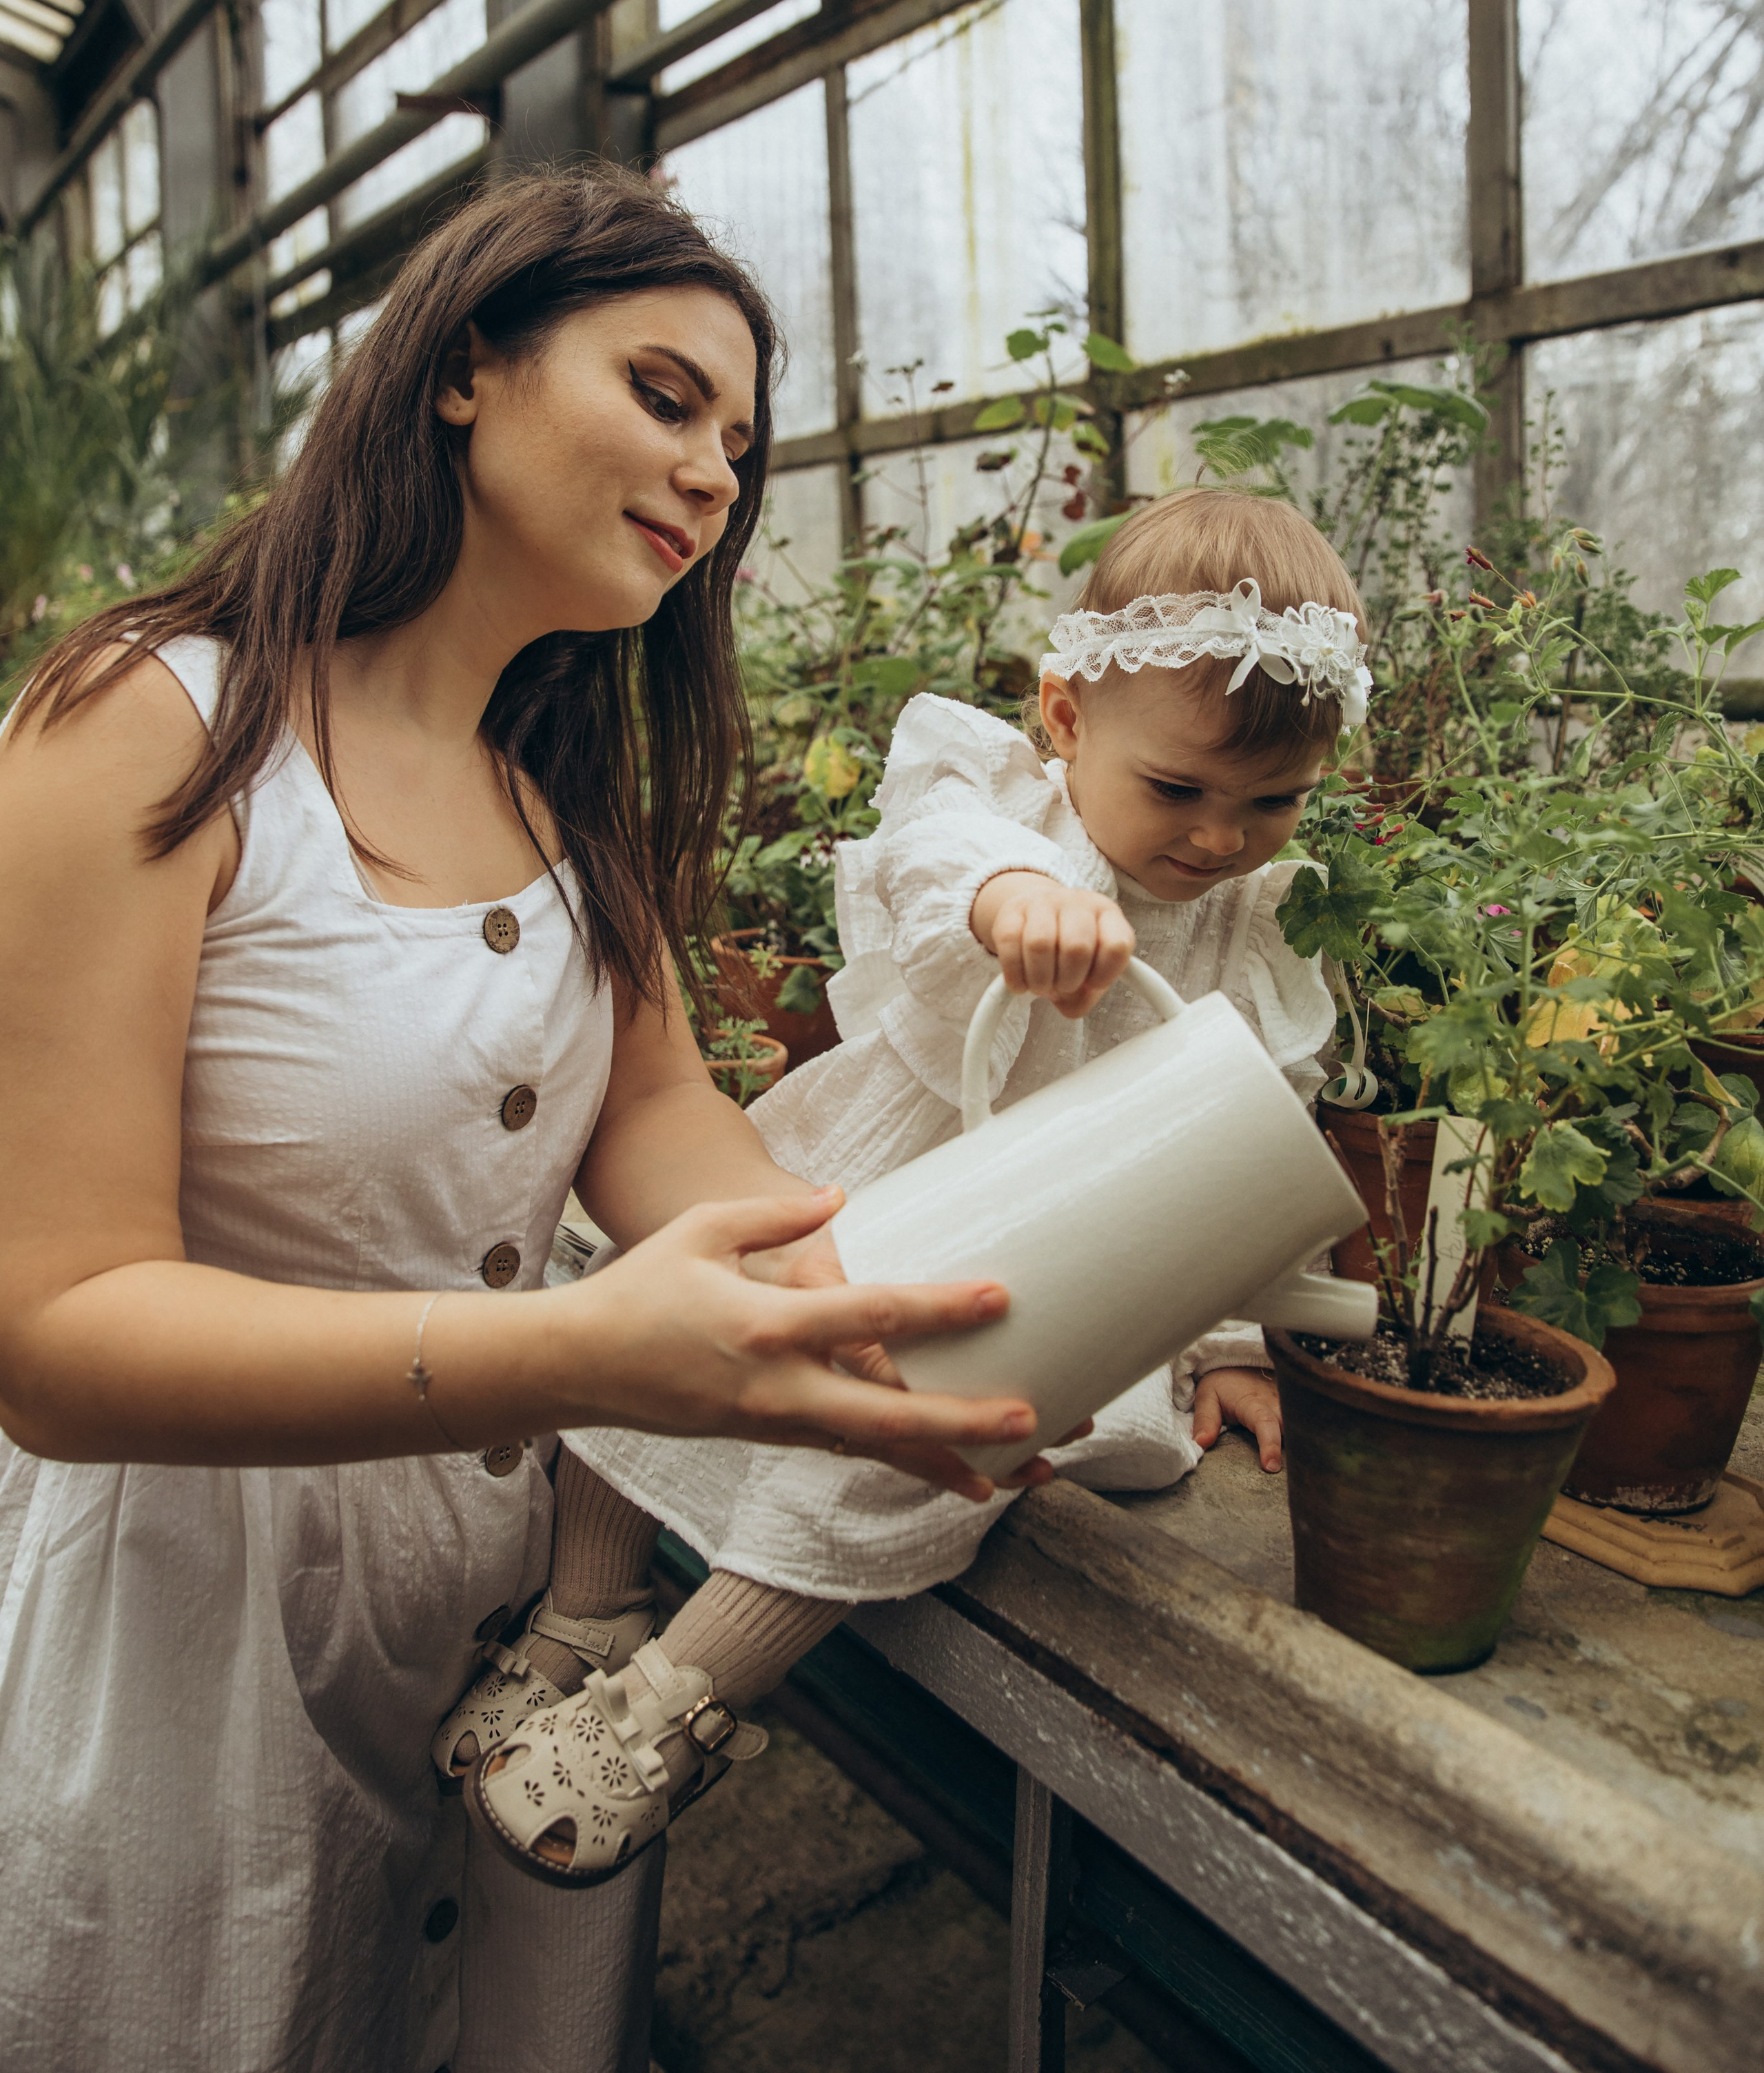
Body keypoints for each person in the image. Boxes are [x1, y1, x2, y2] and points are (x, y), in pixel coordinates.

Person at [0, 170, 1047, 2073]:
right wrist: (577, 1348)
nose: (718, 475)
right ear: (467, 368)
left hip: (512, 1656)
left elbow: (666, 1124)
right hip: (195, 1652)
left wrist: (868, 1294)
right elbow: (53, 1337)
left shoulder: (559, 808)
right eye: (665, 397)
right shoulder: (148, 726)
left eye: (741, 445)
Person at [442, 486, 1371, 1888]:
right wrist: (1013, 897)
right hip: (874, 1156)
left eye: (1272, 801)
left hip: (1050, 1256)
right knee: (667, 1335)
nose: (1216, 838)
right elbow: (934, 860)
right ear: (1065, 719)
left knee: (904, 1467)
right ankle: (585, 1611)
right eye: (1177, 789)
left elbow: (1248, 1136)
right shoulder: (998, 803)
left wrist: (1232, 1339)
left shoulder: (1253, 917)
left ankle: (673, 1705)